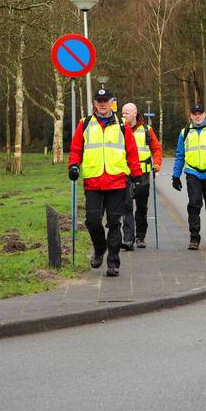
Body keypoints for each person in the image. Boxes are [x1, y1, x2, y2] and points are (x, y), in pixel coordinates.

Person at [68, 87, 145, 277]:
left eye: (106, 101)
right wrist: (73, 166)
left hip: (116, 182)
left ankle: (113, 263)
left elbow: (132, 152)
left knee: (113, 223)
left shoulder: (122, 125)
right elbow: (76, 149)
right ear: (94, 103)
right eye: (99, 102)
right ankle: (100, 248)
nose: (103, 105)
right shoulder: (84, 124)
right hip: (93, 181)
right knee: (92, 221)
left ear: (112, 102)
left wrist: (136, 176)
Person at [171, 103, 206, 251]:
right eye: (194, 113)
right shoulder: (185, 132)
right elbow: (180, 155)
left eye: (200, 113)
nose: (197, 116)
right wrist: (175, 175)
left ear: (204, 114)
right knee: (194, 205)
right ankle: (194, 238)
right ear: (191, 115)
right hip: (193, 173)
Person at [120, 103, 162, 249]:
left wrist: (156, 163)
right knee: (126, 206)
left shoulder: (146, 130)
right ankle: (128, 239)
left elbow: (156, 149)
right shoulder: (119, 129)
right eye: (122, 113)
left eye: (126, 113)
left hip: (143, 174)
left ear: (134, 114)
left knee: (141, 207)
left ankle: (140, 237)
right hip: (125, 173)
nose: (123, 115)